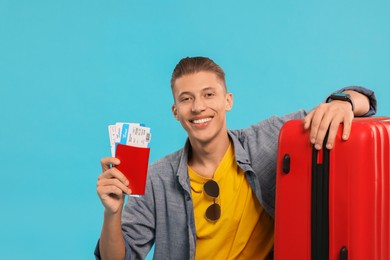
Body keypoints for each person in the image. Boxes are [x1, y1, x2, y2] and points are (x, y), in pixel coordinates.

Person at [95, 57, 376, 259]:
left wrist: (342, 102)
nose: (199, 107)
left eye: (208, 94)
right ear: (175, 111)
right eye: (186, 99)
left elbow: (364, 100)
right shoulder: (156, 179)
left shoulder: (268, 140)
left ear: (227, 100)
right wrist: (112, 213)